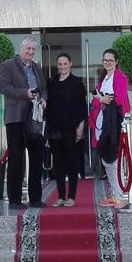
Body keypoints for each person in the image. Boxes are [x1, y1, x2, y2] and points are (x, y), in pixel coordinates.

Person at [0, 35, 46, 209]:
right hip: (16, 118)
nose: (31, 52)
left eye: (33, 49)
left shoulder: (37, 67)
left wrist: (43, 99)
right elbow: (2, 87)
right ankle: (15, 200)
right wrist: (25, 93)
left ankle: (35, 198)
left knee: (37, 159)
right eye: (28, 48)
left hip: (35, 118)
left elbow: (43, 89)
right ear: (21, 48)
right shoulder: (8, 65)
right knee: (16, 159)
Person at [88, 48, 130, 209]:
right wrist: (101, 99)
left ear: (116, 61)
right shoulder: (103, 78)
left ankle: (119, 196)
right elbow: (95, 101)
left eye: (110, 60)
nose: (107, 62)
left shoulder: (120, 77)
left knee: (114, 159)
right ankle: (115, 194)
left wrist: (103, 98)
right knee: (106, 160)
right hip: (102, 121)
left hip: (114, 121)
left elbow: (119, 99)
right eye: (105, 60)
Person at [46, 53, 87, 207]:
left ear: (70, 63)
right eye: (60, 64)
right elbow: (48, 105)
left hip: (72, 129)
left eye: (65, 63)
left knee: (72, 164)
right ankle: (61, 196)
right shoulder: (52, 82)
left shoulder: (77, 83)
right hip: (55, 129)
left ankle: (71, 197)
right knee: (58, 165)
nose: (63, 66)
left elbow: (82, 108)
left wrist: (80, 128)